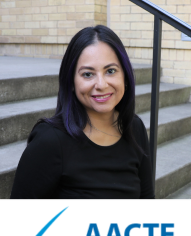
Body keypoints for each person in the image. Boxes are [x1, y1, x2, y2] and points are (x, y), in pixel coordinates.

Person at [11, 25, 154, 199]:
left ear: (125, 76)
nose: (101, 84)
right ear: (71, 82)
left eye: (110, 71)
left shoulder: (134, 127)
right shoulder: (49, 141)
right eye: (88, 74)